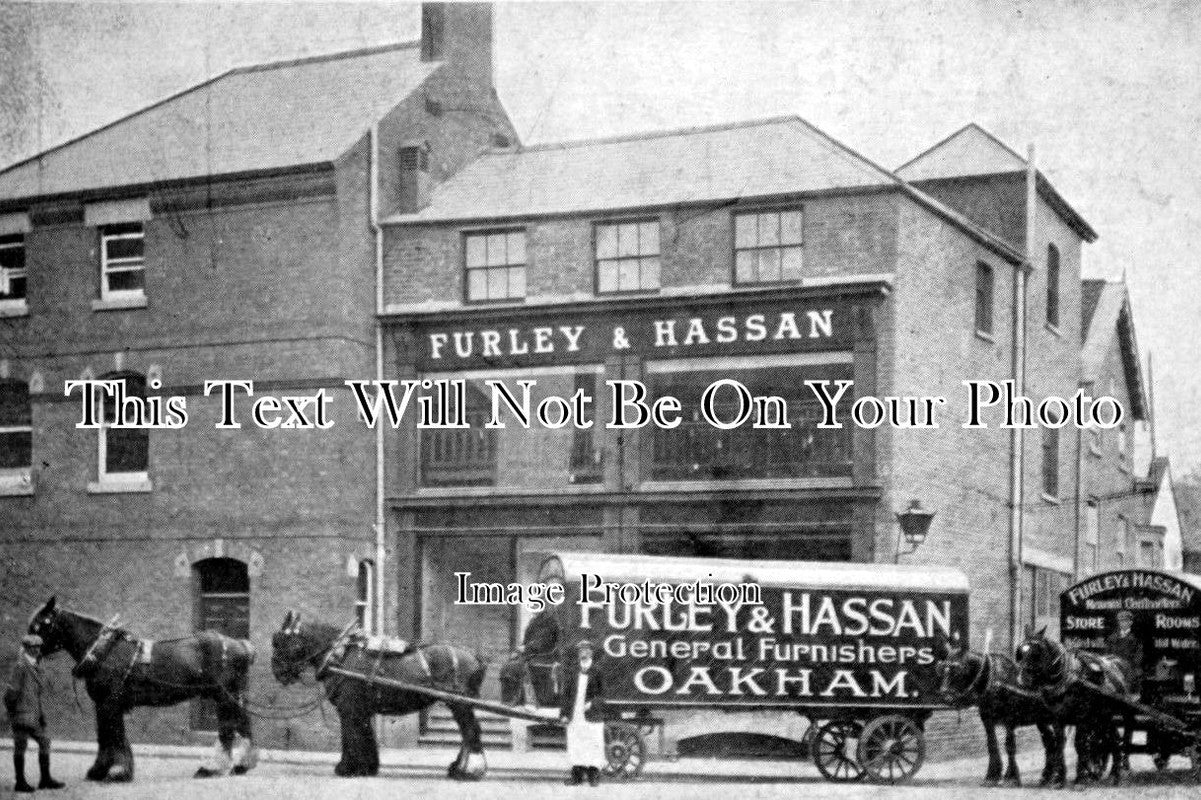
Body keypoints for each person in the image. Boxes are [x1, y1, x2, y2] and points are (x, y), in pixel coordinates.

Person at [4, 635, 65, 793]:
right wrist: (14, 712)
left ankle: (45, 779)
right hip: (22, 715)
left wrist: (41, 714)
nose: (37, 650)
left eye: (39, 647)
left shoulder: (35, 665)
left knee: (45, 742)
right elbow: (11, 693)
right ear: (26, 648)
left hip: (34, 715)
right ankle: (20, 782)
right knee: (20, 747)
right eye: (33, 647)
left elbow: (36, 694)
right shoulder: (21, 666)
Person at [559, 640, 605, 787]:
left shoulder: (598, 671)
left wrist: (592, 703)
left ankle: (593, 775)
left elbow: (603, 694)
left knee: (593, 742)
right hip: (575, 713)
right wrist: (564, 714)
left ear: (591, 653)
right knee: (576, 743)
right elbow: (566, 694)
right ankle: (577, 776)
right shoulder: (573, 671)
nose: (583, 653)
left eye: (586, 650)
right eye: (580, 651)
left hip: (592, 714)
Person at [1105, 610, 1143, 691]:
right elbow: (1107, 654)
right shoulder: (1112, 638)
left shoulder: (1136, 639)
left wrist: (1129, 666)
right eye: (1121, 621)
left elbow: (1139, 656)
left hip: (1129, 670)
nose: (1123, 623)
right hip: (1114, 669)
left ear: (1130, 622)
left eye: (1125, 621)